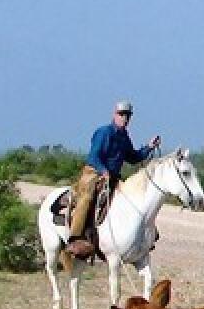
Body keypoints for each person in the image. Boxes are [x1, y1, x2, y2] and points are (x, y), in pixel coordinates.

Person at [65, 101, 161, 260]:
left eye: (128, 115)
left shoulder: (124, 137)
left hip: (113, 177)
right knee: (87, 196)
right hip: (94, 173)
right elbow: (94, 156)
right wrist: (104, 171)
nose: (125, 118)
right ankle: (75, 239)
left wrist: (149, 147)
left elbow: (133, 157)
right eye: (122, 114)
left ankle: (140, 236)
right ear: (114, 114)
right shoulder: (104, 132)